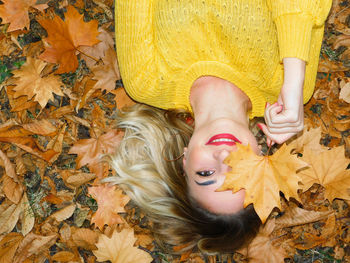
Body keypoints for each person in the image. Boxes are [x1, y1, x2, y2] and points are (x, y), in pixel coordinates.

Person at [105, 0, 332, 254]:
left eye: (206, 174)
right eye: (239, 174)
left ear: (184, 162)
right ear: (261, 162)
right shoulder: (285, 86)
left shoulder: (145, 81)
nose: (223, 157)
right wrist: (293, 77)